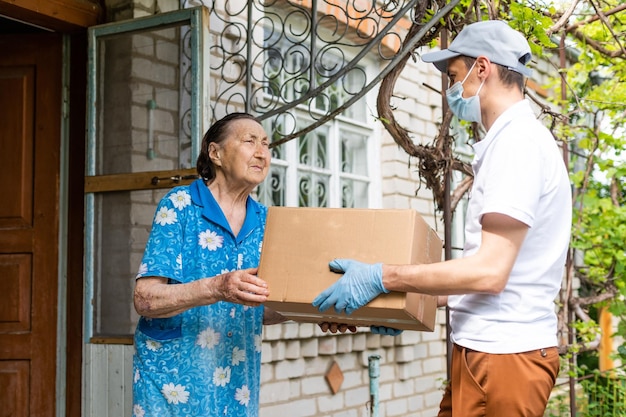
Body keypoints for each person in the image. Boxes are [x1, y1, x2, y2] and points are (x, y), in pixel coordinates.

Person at [312, 20, 572, 417]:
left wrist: (382, 277)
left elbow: (489, 273)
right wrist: (399, 305)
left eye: (454, 76)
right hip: (484, 352)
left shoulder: (518, 145)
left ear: (481, 69)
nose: (453, 89)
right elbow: (486, 279)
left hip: (504, 357)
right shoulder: (509, 142)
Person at [132, 113, 286, 417]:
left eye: (266, 145)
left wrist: (318, 309)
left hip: (236, 379)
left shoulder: (267, 222)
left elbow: (261, 306)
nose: (261, 153)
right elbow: (145, 298)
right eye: (249, 141)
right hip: (173, 381)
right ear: (215, 153)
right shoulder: (180, 205)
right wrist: (218, 287)